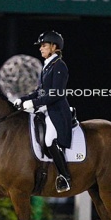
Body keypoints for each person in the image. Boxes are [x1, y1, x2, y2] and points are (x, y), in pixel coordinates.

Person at [14, 30, 72, 193]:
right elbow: (40, 90)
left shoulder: (59, 66)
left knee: (49, 140)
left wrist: (33, 102)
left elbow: (55, 94)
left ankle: (65, 177)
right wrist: (24, 98)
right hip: (45, 109)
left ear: (54, 47)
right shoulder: (47, 66)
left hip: (56, 111)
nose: (41, 49)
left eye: (44, 45)